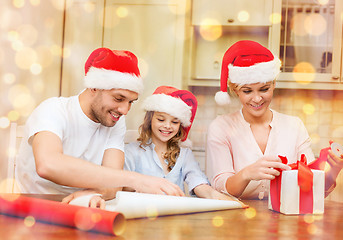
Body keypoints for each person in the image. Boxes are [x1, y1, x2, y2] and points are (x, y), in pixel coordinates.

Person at [15, 48, 184, 205]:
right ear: (94, 87)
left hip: (81, 208)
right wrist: (136, 179)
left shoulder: (114, 122)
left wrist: (92, 194)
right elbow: (48, 164)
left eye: (130, 102)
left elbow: (114, 182)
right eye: (118, 99)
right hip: (35, 207)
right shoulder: (53, 109)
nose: (125, 110)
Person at [206, 40, 342, 200]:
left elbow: (311, 187)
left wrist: (333, 172)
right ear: (235, 90)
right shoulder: (221, 127)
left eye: (264, 89)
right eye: (247, 91)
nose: (257, 99)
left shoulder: (294, 126)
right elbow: (221, 186)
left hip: (285, 218)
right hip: (236, 217)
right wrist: (247, 174)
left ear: (273, 84)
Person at [124, 85, 234, 200]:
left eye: (175, 122)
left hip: (174, 215)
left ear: (180, 125)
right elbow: (123, 188)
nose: (167, 126)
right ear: (150, 119)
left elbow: (198, 182)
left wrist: (217, 196)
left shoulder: (184, 154)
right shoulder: (132, 151)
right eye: (161, 119)